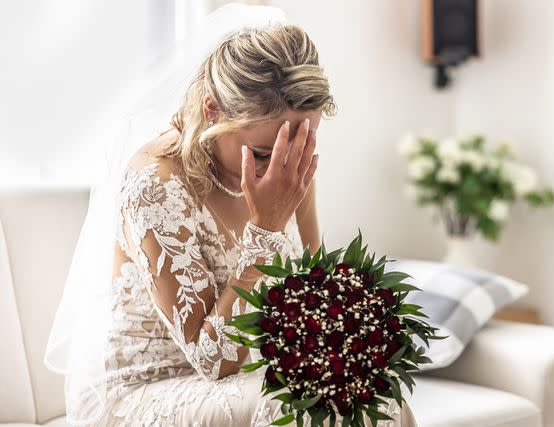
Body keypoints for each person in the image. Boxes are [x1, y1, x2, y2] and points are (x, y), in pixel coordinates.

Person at [44, 3, 417, 426]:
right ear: (212, 111)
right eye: (263, 153)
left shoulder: (289, 171)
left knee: (374, 389)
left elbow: (318, 294)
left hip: (247, 379)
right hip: (145, 391)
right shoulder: (155, 186)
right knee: (293, 404)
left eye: (301, 145)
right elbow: (212, 361)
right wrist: (266, 229)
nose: (282, 167)